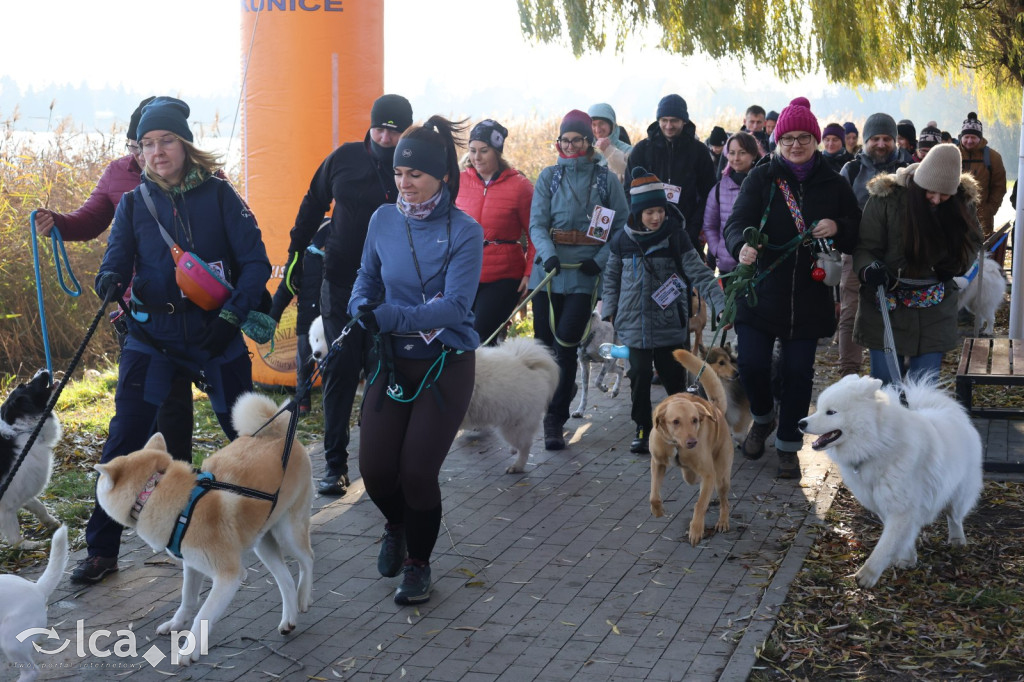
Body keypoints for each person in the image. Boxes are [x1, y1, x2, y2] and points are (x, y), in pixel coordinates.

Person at [73, 97, 271, 583]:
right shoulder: (135, 203)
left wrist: (230, 319)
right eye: (146, 144)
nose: (156, 152)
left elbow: (256, 265)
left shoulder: (222, 196)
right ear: (138, 151)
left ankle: (279, 512)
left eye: (165, 141)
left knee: (249, 438)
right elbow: (116, 259)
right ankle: (101, 549)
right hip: (152, 338)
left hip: (214, 335)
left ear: (184, 144)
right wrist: (110, 280)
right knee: (124, 437)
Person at [347, 115, 482, 606]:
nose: (404, 183)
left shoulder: (466, 231)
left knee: (418, 472)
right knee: (378, 470)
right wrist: (359, 306)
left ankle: (418, 565)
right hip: (392, 358)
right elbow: (366, 276)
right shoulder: (383, 219)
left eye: (415, 175)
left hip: (446, 361)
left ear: (441, 177)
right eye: (399, 174)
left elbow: (455, 307)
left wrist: (387, 315)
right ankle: (397, 525)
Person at [33, 97, 195, 463]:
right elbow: (90, 220)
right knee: (141, 398)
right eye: (136, 146)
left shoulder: (200, 178)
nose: (143, 154)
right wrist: (55, 222)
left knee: (173, 399)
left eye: (154, 143)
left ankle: (176, 481)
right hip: (132, 307)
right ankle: (139, 479)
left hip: (187, 305)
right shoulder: (116, 174)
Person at [724, 97, 860, 479]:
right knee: (751, 365)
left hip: (809, 297)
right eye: (788, 139)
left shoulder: (834, 182)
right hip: (762, 292)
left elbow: (856, 228)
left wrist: (838, 228)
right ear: (777, 141)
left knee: (798, 374)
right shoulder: (762, 177)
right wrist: (741, 247)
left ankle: (787, 447)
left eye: (803, 137)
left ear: (816, 139)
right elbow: (736, 222)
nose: (796, 145)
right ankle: (763, 418)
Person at [285, 94, 413, 496]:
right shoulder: (343, 158)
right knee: (340, 370)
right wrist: (294, 251)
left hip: (391, 287)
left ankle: (382, 462)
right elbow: (313, 201)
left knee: (383, 369)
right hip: (339, 280)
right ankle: (335, 465)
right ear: (370, 125)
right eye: (380, 127)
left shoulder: (412, 165)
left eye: (394, 129)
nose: (386, 135)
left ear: (405, 130)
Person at [603, 167, 725, 454]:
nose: (656, 217)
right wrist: (610, 310)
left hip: (670, 324)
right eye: (649, 212)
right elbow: (611, 278)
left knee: (674, 381)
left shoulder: (677, 238)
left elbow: (701, 274)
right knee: (640, 376)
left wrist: (720, 305)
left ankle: (686, 432)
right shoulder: (623, 240)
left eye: (660, 210)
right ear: (637, 213)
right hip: (633, 325)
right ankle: (644, 427)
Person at [531, 109, 628, 450]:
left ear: (589, 142)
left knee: (567, 342)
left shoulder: (606, 180)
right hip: (550, 270)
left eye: (577, 140)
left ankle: (554, 419)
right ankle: (557, 393)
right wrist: (547, 254)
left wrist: (599, 260)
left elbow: (620, 227)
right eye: (564, 140)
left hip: (584, 272)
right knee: (543, 345)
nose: (570, 146)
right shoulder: (548, 177)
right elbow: (537, 225)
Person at [854, 144, 983, 382]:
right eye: (930, 192)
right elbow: (865, 247)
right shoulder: (887, 199)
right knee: (886, 387)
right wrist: (869, 269)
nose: (936, 199)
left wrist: (956, 265)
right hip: (886, 306)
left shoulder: (962, 203)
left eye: (944, 195)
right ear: (919, 183)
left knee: (923, 388)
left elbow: (973, 243)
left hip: (935, 307)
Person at [837, 113, 908, 376]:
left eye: (887, 139)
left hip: (898, 256)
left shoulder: (908, 168)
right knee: (850, 311)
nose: (881, 144)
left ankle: (897, 368)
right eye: (875, 138)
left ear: (895, 141)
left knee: (899, 312)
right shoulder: (851, 170)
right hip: (856, 253)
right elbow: (840, 211)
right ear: (865, 141)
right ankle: (849, 372)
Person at [455, 119, 535, 345]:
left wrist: (530, 273)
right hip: (465, 273)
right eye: (472, 151)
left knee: (481, 337)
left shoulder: (520, 186)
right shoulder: (458, 182)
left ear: (497, 152)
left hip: (504, 276)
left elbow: (534, 232)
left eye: (484, 151)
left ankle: (482, 379)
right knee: (459, 335)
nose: (477, 157)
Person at [626, 95, 716, 248]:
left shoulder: (699, 151)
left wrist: (694, 228)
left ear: (684, 121)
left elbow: (708, 193)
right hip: (648, 234)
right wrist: (642, 224)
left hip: (688, 233)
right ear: (658, 120)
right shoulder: (642, 150)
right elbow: (629, 190)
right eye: (664, 120)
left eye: (674, 120)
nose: (668, 125)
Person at [268, 220, 329, 413]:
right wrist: (272, 316)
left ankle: (332, 402)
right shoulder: (300, 255)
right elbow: (286, 286)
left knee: (331, 364)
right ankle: (302, 401)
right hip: (307, 317)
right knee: (304, 360)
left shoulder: (339, 245)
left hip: (332, 316)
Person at [703, 131, 758, 275]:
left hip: (757, 264)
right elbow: (709, 226)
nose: (736, 158)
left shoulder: (764, 185)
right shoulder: (720, 188)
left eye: (742, 152)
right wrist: (718, 250)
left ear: (753, 154)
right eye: (732, 153)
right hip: (728, 265)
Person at [959, 111, 1008, 266]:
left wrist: (989, 210)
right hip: (955, 215)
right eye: (966, 137)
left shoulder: (993, 157)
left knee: (981, 259)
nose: (969, 141)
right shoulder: (953, 153)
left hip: (982, 219)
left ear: (980, 138)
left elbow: (999, 187)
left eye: (973, 137)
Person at [588, 103, 633, 181]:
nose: (597, 130)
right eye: (593, 125)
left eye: (601, 123)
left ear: (611, 125)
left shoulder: (628, 150)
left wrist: (608, 150)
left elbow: (629, 173)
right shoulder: (587, 151)